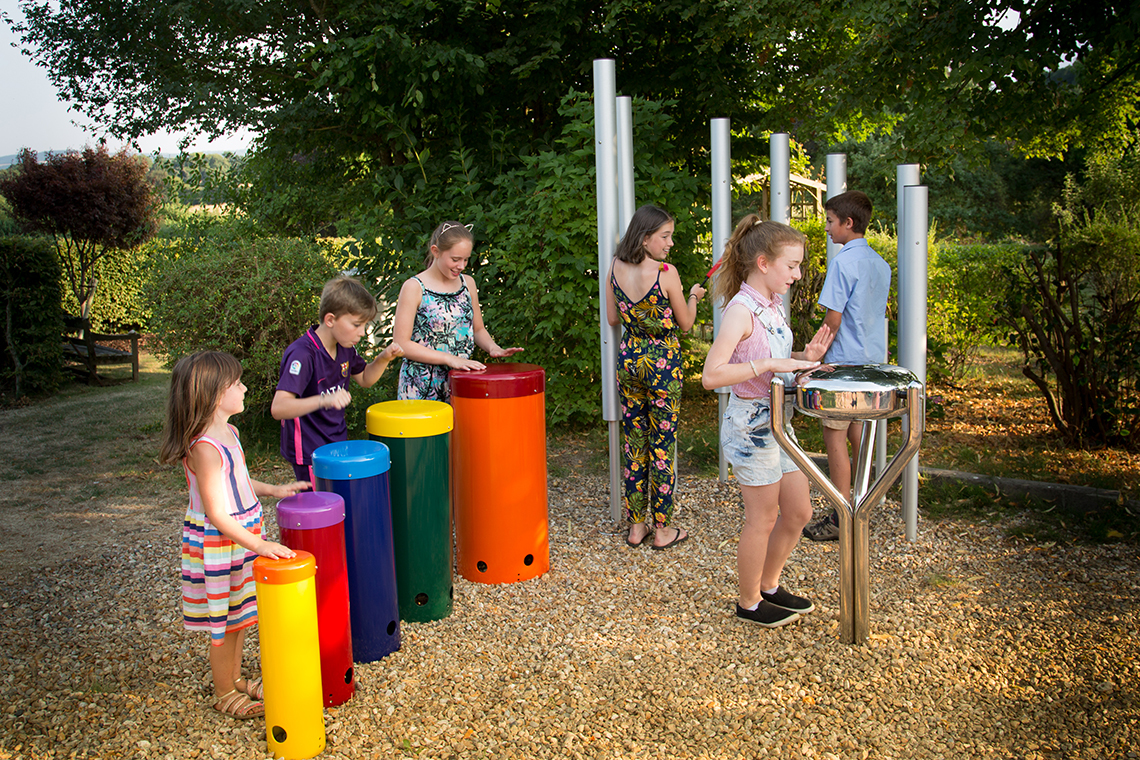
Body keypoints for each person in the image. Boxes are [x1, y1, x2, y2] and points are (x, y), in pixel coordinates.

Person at [159, 351, 311, 719]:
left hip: (240, 538)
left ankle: (236, 678)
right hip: (220, 541)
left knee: (241, 615)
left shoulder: (230, 432)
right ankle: (224, 691)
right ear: (213, 395)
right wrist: (259, 544)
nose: (244, 388)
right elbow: (215, 512)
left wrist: (273, 490)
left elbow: (238, 481)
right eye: (237, 383)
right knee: (225, 624)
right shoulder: (205, 449)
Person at [701, 216, 832, 628]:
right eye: (791, 265)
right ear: (763, 263)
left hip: (777, 421)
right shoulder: (740, 311)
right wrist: (769, 362)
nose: (797, 274)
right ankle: (749, 601)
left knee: (798, 512)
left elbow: (777, 369)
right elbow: (711, 376)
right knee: (763, 518)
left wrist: (805, 363)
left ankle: (769, 586)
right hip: (750, 426)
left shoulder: (771, 305)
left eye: (798, 266)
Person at [605, 205, 706, 550]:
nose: (670, 243)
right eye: (665, 236)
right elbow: (687, 322)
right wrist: (694, 295)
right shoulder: (666, 273)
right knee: (662, 447)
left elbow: (613, 319)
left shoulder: (614, 268)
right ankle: (662, 530)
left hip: (629, 360)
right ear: (645, 237)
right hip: (661, 363)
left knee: (636, 442)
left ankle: (636, 526)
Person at [803, 191, 892, 542]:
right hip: (873, 360)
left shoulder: (843, 262)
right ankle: (862, 505)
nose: (826, 228)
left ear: (847, 223)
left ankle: (842, 515)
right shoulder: (879, 263)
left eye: (829, 221)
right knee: (860, 434)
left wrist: (815, 356)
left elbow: (833, 319)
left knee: (834, 434)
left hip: (843, 362)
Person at [271, 276, 403, 482]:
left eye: (365, 325)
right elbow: (279, 408)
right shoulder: (303, 354)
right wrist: (323, 400)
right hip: (309, 450)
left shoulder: (345, 347)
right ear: (330, 319)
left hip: (336, 443)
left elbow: (366, 379)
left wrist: (384, 358)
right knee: (320, 509)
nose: (362, 332)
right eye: (357, 324)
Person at [393, 221, 522, 402]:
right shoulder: (414, 287)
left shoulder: (468, 283)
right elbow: (401, 344)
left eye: (466, 259)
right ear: (436, 251)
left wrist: (493, 348)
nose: (461, 265)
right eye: (455, 259)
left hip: (460, 382)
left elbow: (477, 330)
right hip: (420, 385)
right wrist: (449, 359)